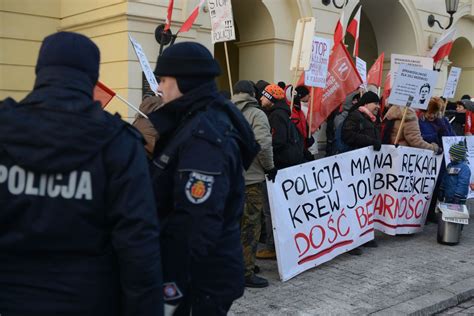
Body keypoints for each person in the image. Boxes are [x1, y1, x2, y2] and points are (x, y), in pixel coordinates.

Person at [0, 32, 163, 316]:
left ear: (40, 70)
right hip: (87, 300)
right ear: (92, 77)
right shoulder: (119, 143)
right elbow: (138, 243)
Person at [149, 42, 259, 315]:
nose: (159, 87)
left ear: (185, 81)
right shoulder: (193, 121)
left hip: (199, 280)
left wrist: (169, 284)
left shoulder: (206, 135)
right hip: (196, 274)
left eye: (163, 79)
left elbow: (196, 224)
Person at [231, 80, 276, 288]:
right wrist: (269, 167)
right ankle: (245, 271)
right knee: (250, 225)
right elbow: (263, 145)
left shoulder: (227, 112)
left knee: (233, 225)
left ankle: (238, 263)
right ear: (252, 94)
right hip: (250, 179)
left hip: (230, 179)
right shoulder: (257, 115)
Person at [256, 83, 306, 260]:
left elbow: (277, 141)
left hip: (279, 166)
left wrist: (261, 150)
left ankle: (272, 246)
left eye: (263, 96)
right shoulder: (282, 113)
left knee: (271, 209)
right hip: (285, 165)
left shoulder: (276, 116)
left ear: (271, 98)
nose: (260, 99)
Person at [341, 91, 381, 251]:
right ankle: (352, 240)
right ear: (366, 103)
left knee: (365, 202)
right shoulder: (355, 116)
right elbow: (348, 136)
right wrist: (370, 141)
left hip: (366, 167)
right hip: (354, 166)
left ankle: (365, 234)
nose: (378, 106)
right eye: (375, 103)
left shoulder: (370, 118)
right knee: (354, 203)